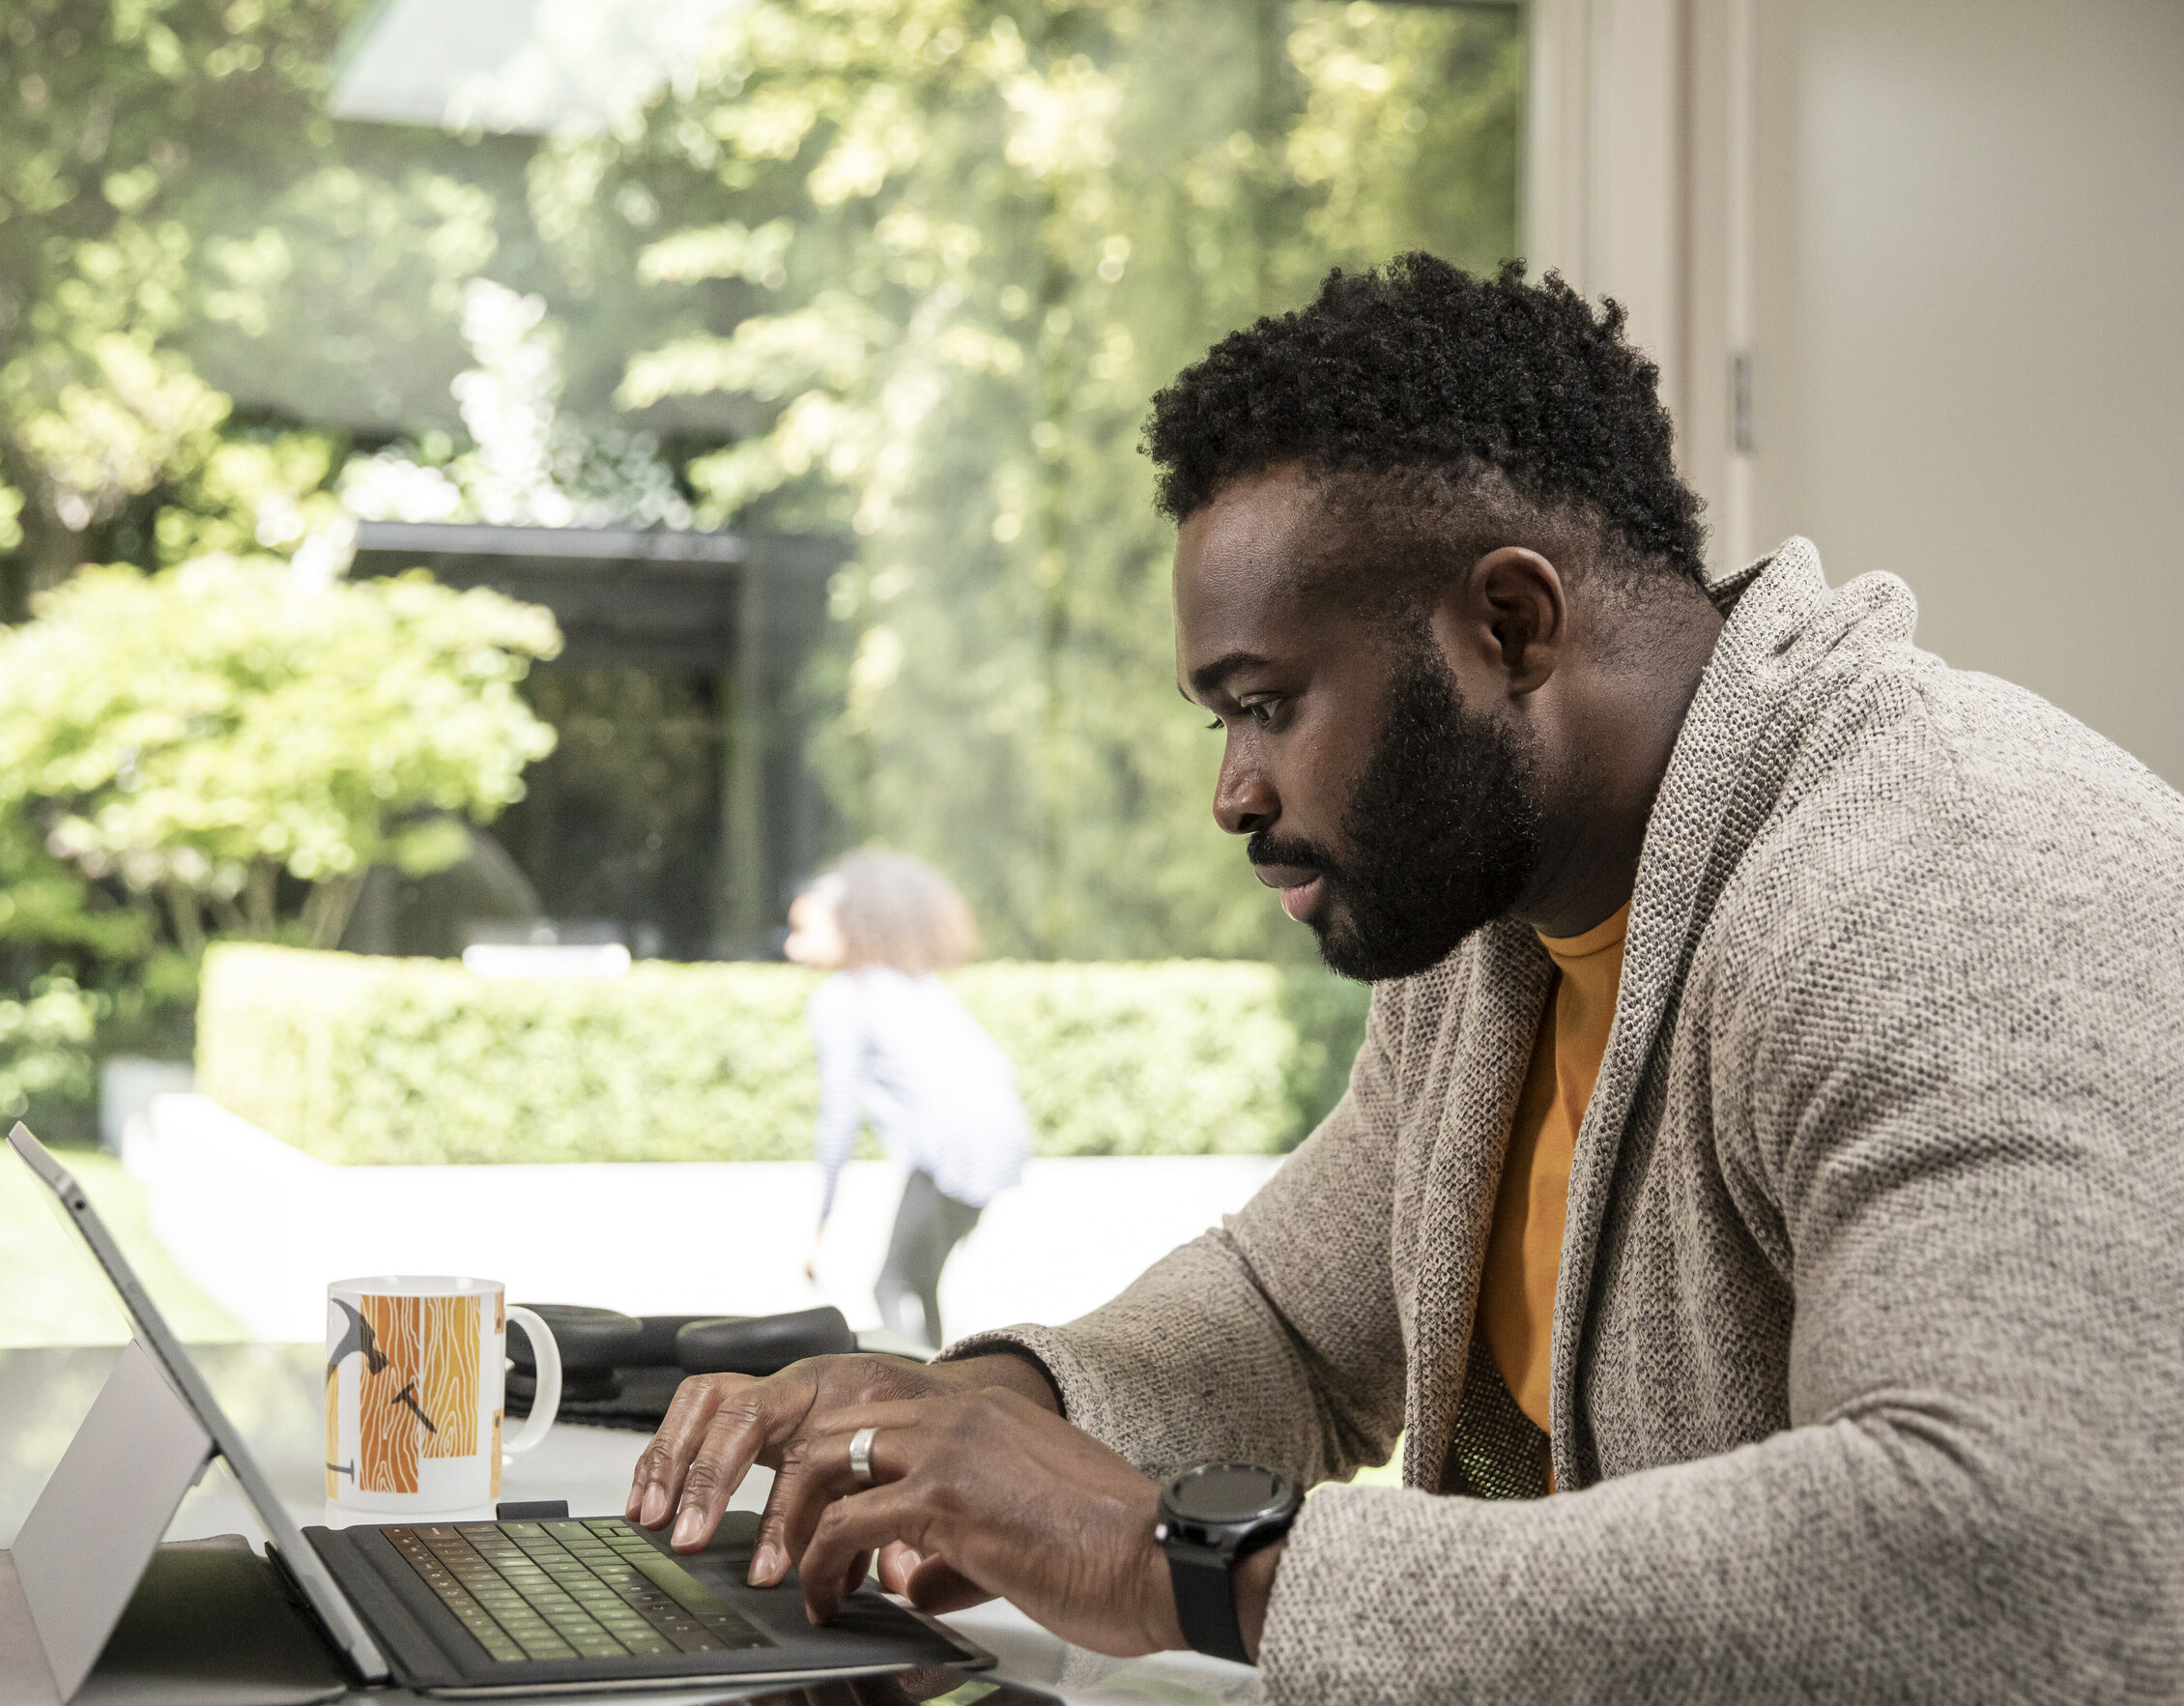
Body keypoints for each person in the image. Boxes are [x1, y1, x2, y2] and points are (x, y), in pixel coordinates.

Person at [626, 256, 2184, 1700]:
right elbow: (1291, 1322)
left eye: (1268, 703)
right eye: (1217, 719)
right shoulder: (1498, 921)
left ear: (1509, 622)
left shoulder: (1946, 879)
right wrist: (978, 1420)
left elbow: (2022, 1548)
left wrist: (1180, 1564)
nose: (1231, 793)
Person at [784, 850, 1029, 1348]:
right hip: (1001, 1144)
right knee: (920, 1278)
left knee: (890, 1282)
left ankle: (917, 1388)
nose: (791, 947)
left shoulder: (840, 998)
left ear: (850, 925)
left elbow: (839, 1120)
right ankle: (941, 1373)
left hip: (951, 1153)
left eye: (804, 931)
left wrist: (819, 1228)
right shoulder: (916, 986)